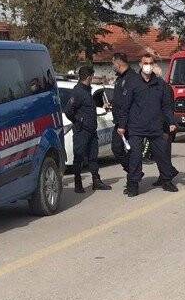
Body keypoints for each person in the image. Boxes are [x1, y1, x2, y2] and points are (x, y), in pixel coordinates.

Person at [116, 57, 178, 198]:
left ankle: (166, 180)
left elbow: (166, 106)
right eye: (145, 63)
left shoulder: (160, 84)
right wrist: (122, 125)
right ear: (140, 64)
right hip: (136, 127)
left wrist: (171, 122)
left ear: (153, 65)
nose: (148, 66)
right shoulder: (132, 82)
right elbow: (125, 106)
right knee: (135, 157)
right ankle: (133, 185)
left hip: (155, 126)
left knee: (162, 155)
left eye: (150, 63)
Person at [65, 65, 111, 194]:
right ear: (89, 77)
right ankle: (78, 182)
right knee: (79, 157)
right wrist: (78, 121)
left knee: (93, 157)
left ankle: (96, 181)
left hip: (91, 130)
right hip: (82, 131)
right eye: (92, 76)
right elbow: (68, 111)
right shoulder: (78, 92)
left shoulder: (87, 91)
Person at [107, 53, 134, 173]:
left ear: (118, 63)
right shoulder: (119, 79)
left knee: (133, 150)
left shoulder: (131, 78)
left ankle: (134, 174)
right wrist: (111, 104)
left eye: (113, 63)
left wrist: (123, 124)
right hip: (119, 121)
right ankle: (133, 171)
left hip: (130, 121)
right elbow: (119, 99)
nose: (112, 66)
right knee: (116, 148)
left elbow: (127, 103)